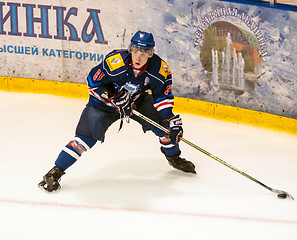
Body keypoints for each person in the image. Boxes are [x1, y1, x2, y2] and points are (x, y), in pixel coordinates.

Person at [38, 30, 196, 192]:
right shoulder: (116, 62)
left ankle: (174, 158)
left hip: (136, 102)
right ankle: (54, 172)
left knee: (167, 129)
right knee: (84, 139)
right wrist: (112, 96)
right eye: (135, 51)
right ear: (130, 49)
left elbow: (163, 98)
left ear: (150, 53)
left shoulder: (159, 70)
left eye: (143, 52)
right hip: (104, 103)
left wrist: (168, 120)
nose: (138, 57)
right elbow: (93, 82)